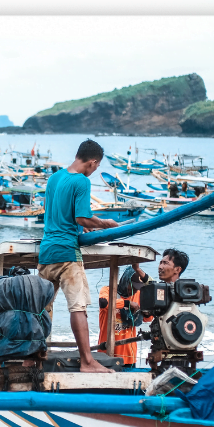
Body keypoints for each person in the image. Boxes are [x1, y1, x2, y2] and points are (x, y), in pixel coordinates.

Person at [38, 139, 119, 374]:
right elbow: (82, 217)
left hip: (47, 252)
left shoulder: (54, 178)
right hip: (66, 253)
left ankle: (31, 357)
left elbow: (59, 215)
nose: (94, 171)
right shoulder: (81, 181)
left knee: (41, 307)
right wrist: (105, 224)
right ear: (93, 162)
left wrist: (82, 227)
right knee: (78, 307)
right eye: (96, 167)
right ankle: (87, 361)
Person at [98, 264, 153, 367]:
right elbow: (104, 303)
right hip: (106, 353)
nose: (135, 290)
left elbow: (148, 319)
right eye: (132, 287)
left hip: (129, 355)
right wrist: (127, 304)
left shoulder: (138, 294)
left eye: (137, 288)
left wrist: (146, 312)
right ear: (125, 281)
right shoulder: (107, 290)